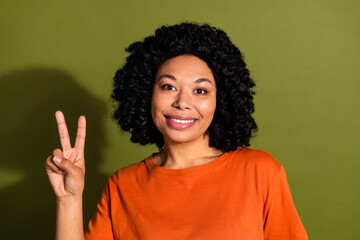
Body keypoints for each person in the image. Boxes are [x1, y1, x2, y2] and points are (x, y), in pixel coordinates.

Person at [46, 23, 308, 240]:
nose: (182, 102)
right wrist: (69, 200)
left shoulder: (260, 172)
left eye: (200, 90)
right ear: (147, 94)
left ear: (222, 100)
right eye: (168, 87)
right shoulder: (122, 186)